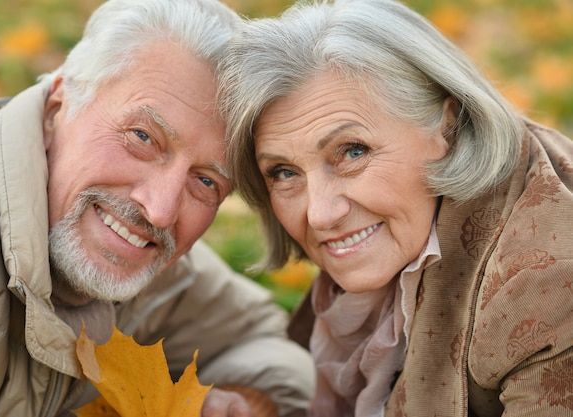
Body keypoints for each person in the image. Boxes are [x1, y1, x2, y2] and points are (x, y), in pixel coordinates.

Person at [0, 0, 316, 416]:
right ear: (56, 109)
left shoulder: (157, 267)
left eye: (207, 181)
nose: (159, 211)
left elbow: (268, 340)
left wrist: (240, 400)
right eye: (142, 137)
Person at [218, 0, 573, 415]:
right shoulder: (412, 222)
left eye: (351, 151)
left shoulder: (545, 288)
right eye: (283, 172)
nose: (319, 214)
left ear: (447, 126)